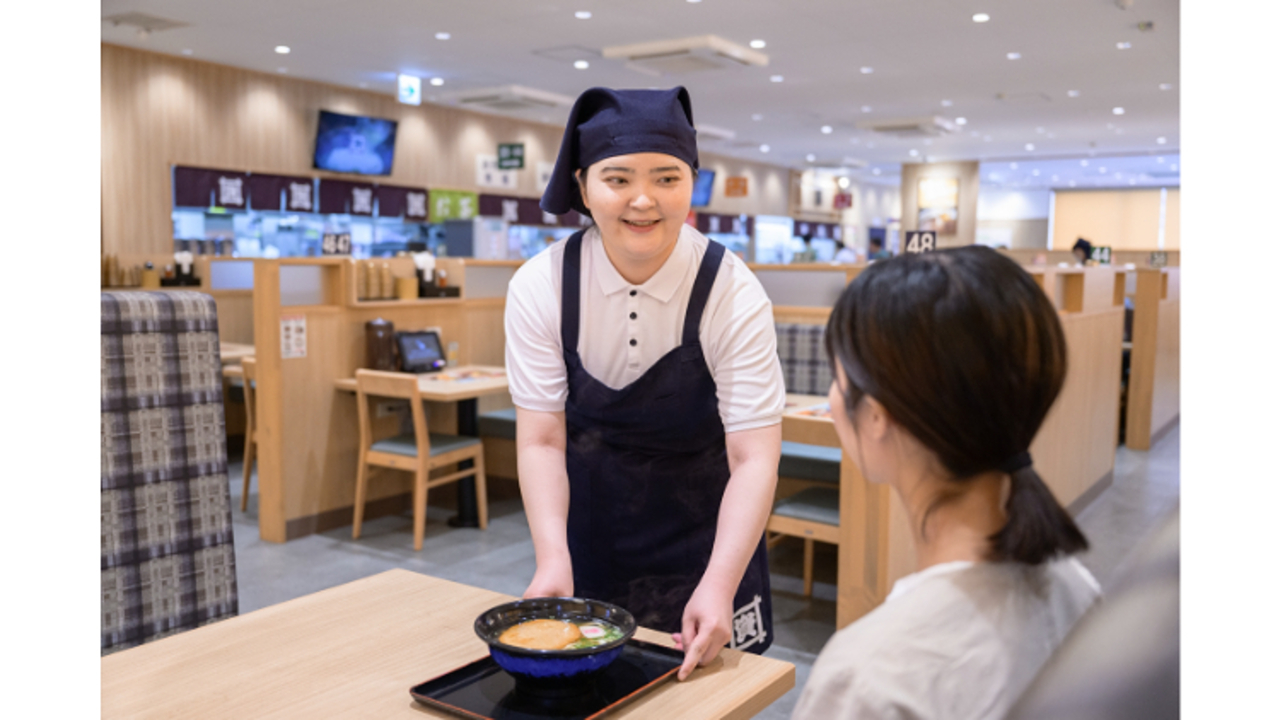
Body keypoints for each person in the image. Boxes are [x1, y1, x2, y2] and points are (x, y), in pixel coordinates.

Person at [504, 86, 785, 681]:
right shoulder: (541, 286)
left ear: (692, 184)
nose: (642, 201)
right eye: (617, 179)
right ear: (582, 186)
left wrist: (720, 584)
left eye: (666, 178)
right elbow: (541, 441)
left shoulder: (732, 291)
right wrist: (554, 558)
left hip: (711, 541)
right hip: (591, 536)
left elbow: (754, 458)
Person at [791, 246, 1101, 719]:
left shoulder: (869, 676)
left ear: (876, 416)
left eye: (837, 379)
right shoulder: (1077, 589)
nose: (833, 399)